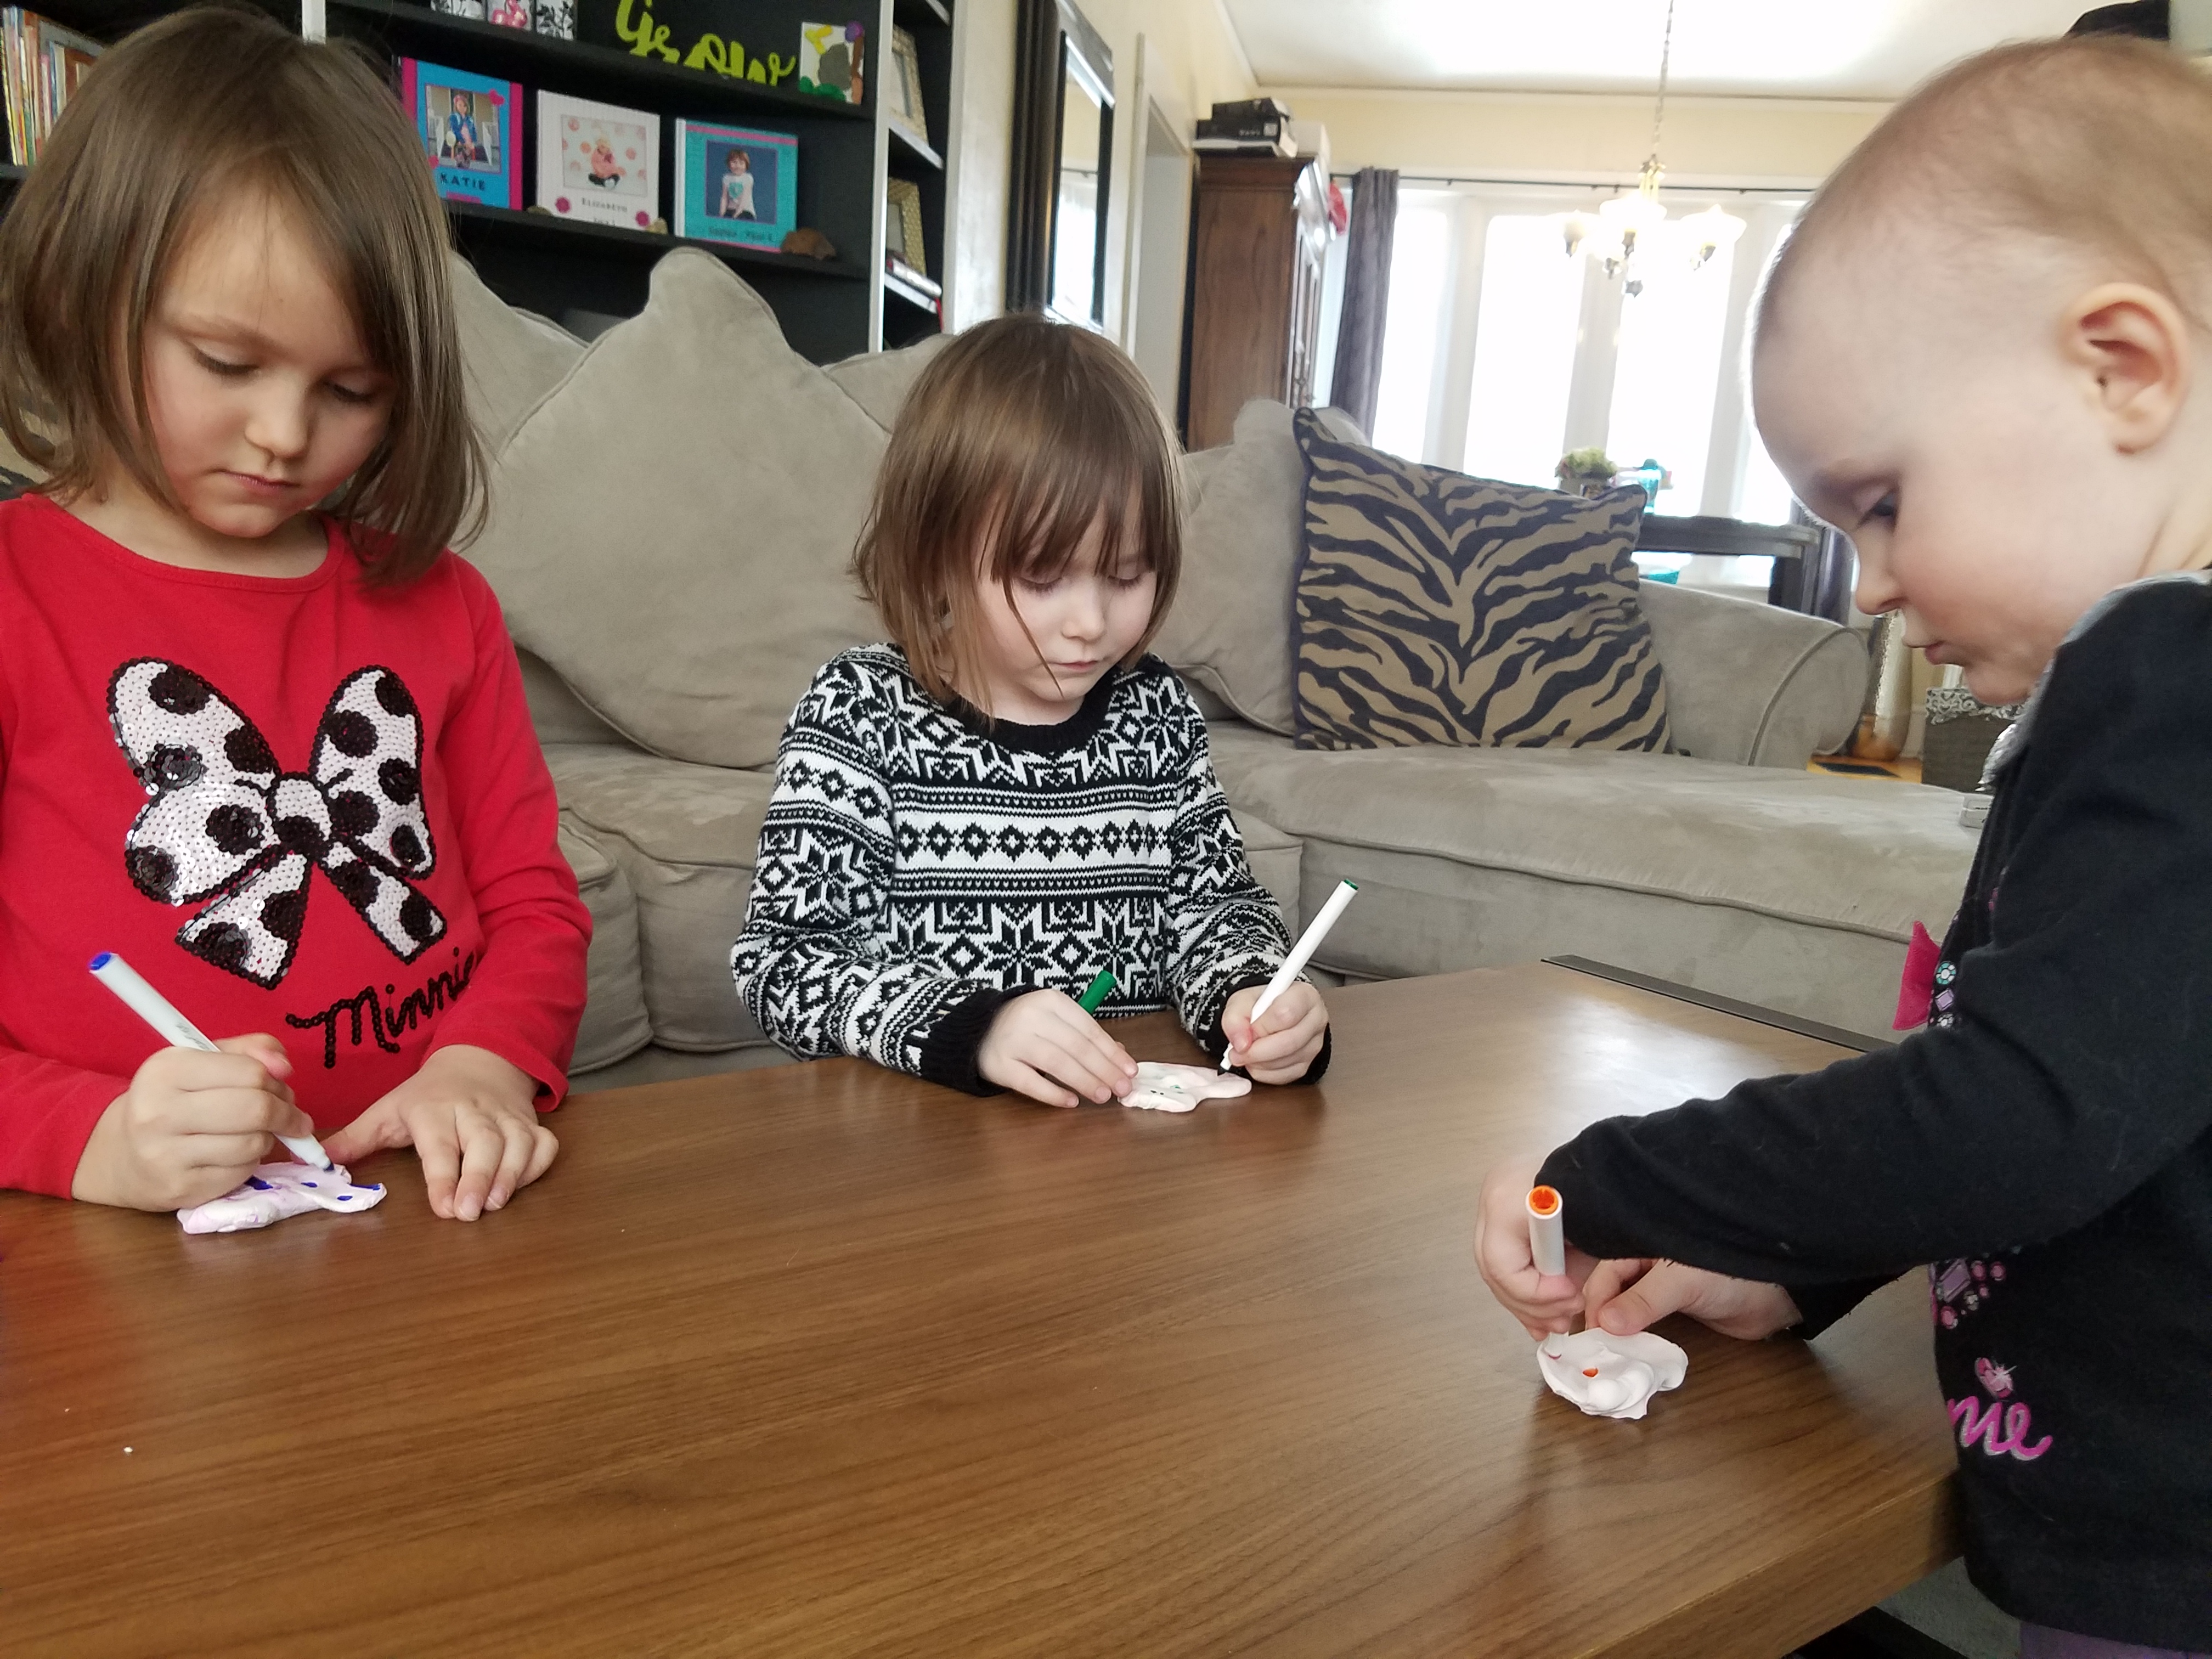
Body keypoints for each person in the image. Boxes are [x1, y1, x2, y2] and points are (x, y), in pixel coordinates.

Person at [1473, 37, 2212, 1658]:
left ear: (2122, 370)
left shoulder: (2172, 683)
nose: (1867, 585)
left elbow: (2019, 1114)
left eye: (1880, 502)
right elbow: (2110, 1101)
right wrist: (1792, 1274)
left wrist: (1612, 1173)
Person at [0, 8, 590, 1220]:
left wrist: (484, 1062)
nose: (283, 434)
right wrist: (92, 1141)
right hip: (119, 1242)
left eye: (351, 390)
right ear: (78, 289)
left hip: (423, 1211)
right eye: (226, 364)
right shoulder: (17, 597)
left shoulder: (446, 603)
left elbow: (534, 905)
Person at [731, 313, 1330, 1107]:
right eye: (1043, 578)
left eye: (1127, 574)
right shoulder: (860, 712)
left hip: (1124, 1147)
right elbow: (784, 966)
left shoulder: (1156, 715)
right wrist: (975, 1029)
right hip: (927, 1144)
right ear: (936, 555)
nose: (1090, 622)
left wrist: (1254, 997)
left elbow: (1216, 909)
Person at [719, 148, 755, 220]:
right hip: (731, 209)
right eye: (734, 162)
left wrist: (736, 215)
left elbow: (744, 198)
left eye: (741, 163)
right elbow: (724, 197)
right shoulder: (727, 178)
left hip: (745, 210)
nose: (738, 166)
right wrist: (722, 214)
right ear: (729, 164)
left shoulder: (748, 178)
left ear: (746, 165)